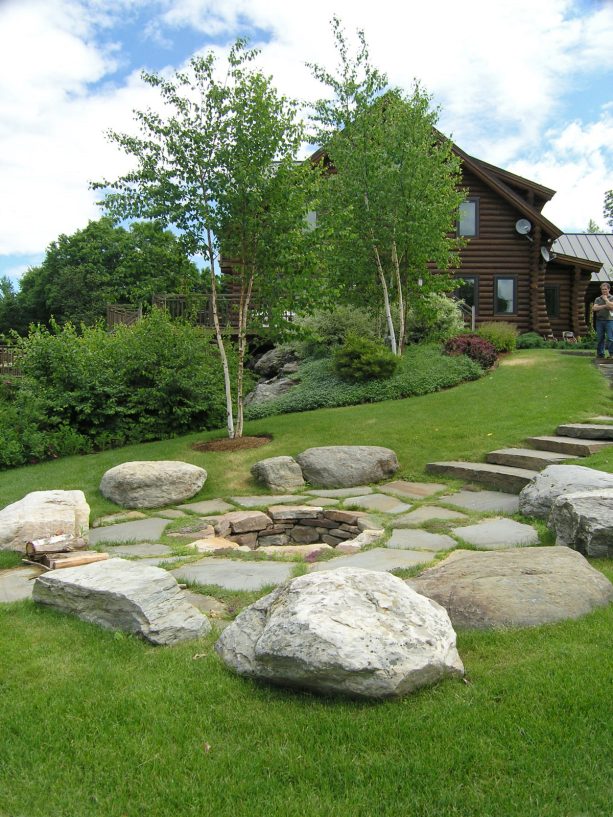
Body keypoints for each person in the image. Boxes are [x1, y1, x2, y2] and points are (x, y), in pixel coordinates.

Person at [592, 281, 613, 358]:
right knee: (600, 338)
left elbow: (612, 307)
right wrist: (605, 306)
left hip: (610, 321)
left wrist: (606, 300)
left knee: (610, 338)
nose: (604, 291)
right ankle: (601, 354)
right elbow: (594, 308)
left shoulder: (612, 298)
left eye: (605, 289)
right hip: (599, 321)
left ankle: (611, 354)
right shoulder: (598, 299)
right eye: (602, 289)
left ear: (609, 289)